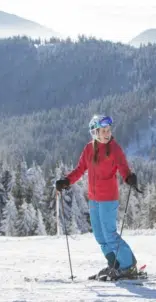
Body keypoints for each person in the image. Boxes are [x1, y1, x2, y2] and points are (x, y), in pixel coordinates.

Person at [55, 114, 139, 280]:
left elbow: (123, 167)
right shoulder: (89, 148)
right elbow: (80, 169)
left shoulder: (114, 148)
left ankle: (129, 266)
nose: (107, 133)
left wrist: (129, 177)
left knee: (109, 234)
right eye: (103, 131)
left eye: (108, 130)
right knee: (100, 236)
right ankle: (114, 265)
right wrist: (66, 181)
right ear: (95, 132)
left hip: (108, 198)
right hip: (94, 198)